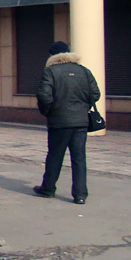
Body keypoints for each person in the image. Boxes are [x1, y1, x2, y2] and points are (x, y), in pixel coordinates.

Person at [33, 41, 100, 205]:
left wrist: (49, 111)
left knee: (55, 156)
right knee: (79, 158)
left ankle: (48, 188)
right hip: (81, 121)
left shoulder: (51, 71)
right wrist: (82, 107)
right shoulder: (84, 71)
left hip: (59, 121)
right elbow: (95, 94)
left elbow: (44, 96)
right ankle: (80, 195)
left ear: (53, 56)